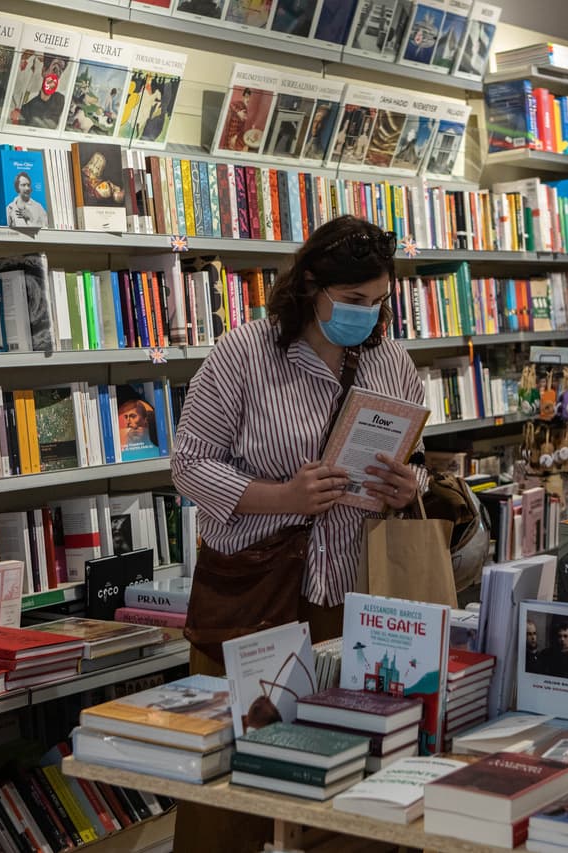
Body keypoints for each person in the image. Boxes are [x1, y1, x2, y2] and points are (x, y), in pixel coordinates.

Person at [170, 216, 427, 853]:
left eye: (378, 302)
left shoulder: (390, 362)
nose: (366, 316)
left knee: (334, 773)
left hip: (343, 592)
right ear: (310, 284)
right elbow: (189, 464)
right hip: (252, 592)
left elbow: (417, 455)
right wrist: (281, 496)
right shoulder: (245, 352)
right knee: (235, 775)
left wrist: (409, 484)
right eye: (352, 302)